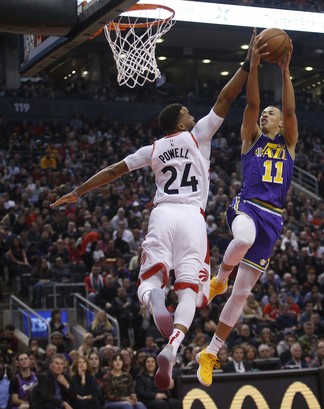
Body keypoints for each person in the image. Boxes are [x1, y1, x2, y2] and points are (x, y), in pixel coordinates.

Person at [50, 30, 255, 391]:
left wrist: (78, 191)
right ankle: (173, 346)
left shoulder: (154, 148)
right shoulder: (198, 136)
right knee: (191, 291)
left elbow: (114, 170)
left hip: (162, 214)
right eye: (188, 114)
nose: (194, 116)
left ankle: (155, 298)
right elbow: (226, 98)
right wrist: (247, 63)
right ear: (180, 122)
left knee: (149, 279)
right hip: (192, 216)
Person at [196, 29, 298, 387]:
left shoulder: (289, 143)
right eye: (265, 114)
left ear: (282, 123)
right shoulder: (251, 138)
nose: (267, 114)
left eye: (273, 114)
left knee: (243, 294)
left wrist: (285, 71)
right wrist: (253, 65)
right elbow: (252, 104)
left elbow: (289, 107)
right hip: (248, 207)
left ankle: (210, 351)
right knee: (240, 241)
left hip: (274, 221)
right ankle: (218, 278)